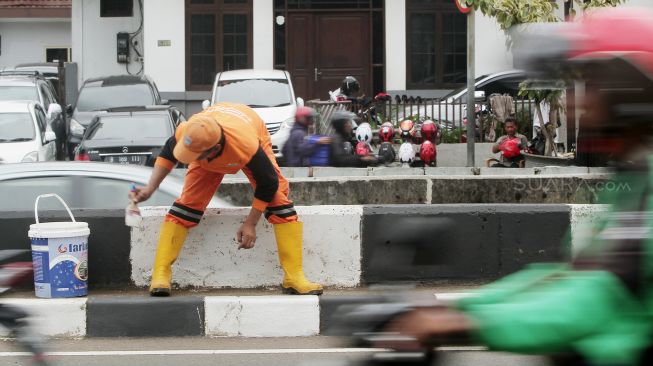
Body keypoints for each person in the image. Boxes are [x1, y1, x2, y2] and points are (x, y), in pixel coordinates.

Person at [382, 8, 653, 366]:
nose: (577, 103)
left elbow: (600, 295)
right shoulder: (634, 179)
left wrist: (468, 322)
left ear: (627, 92)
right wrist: (460, 307)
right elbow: (570, 276)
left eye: (593, 86)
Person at [131, 102, 323, 297]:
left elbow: (268, 182)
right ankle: (161, 273)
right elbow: (167, 154)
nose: (189, 159)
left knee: (279, 203)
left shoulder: (246, 145)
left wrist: (250, 223)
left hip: (249, 128)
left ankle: (294, 277)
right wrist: (150, 188)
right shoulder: (190, 131)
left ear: (215, 149)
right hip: (217, 130)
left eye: (194, 156)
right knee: (187, 205)